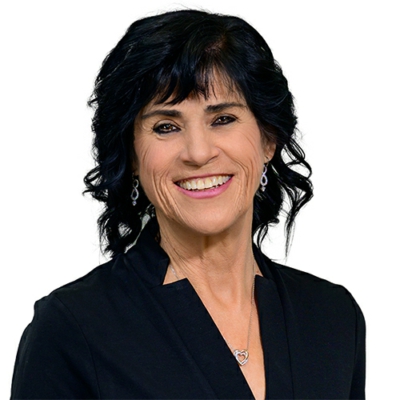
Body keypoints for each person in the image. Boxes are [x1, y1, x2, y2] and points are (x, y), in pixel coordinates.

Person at [11, 9, 365, 400]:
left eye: (223, 118)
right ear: (131, 155)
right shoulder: (72, 329)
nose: (198, 152)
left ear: (268, 139)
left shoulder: (333, 317)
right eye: (166, 126)